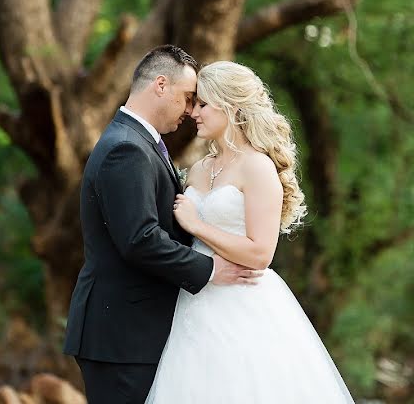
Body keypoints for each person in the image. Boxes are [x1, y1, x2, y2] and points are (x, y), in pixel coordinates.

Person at [145, 60, 354, 403]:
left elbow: (260, 254)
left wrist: (197, 224)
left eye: (202, 104)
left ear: (231, 106)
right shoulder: (199, 169)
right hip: (193, 303)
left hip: (241, 304)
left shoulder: (257, 166)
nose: (193, 112)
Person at [63, 45, 262, 404]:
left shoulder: (139, 143)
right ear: (159, 85)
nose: (190, 111)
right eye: (187, 99)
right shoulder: (128, 148)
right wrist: (210, 268)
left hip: (135, 330)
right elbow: (140, 239)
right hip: (122, 335)